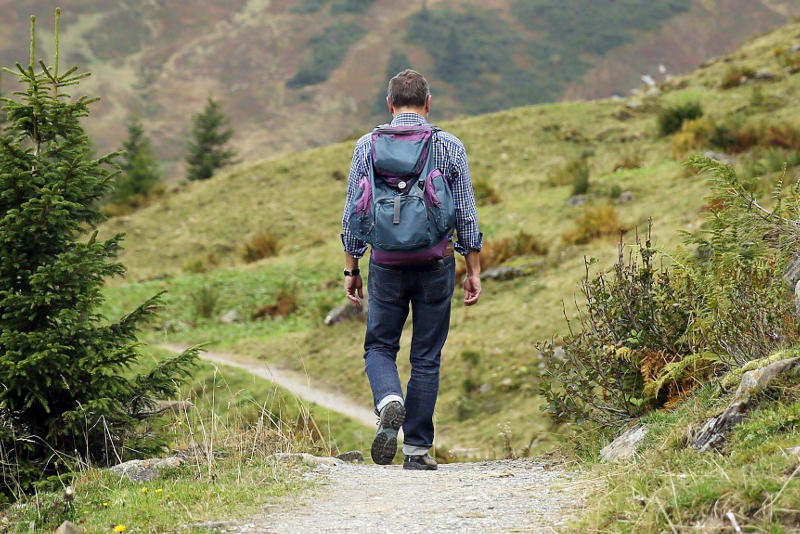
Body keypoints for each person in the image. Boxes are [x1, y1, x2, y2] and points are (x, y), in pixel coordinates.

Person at [340, 69, 483, 470]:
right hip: (435, 262)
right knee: (426, 356)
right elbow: (467, 215)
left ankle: (389, 400)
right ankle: (417, 450)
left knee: (380, 346)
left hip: (385, 263)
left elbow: (354, 212)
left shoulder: (366, 146)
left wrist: (351, 268)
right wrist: (473, 268)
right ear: (428, 103)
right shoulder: (449, 146)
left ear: (389, 105)